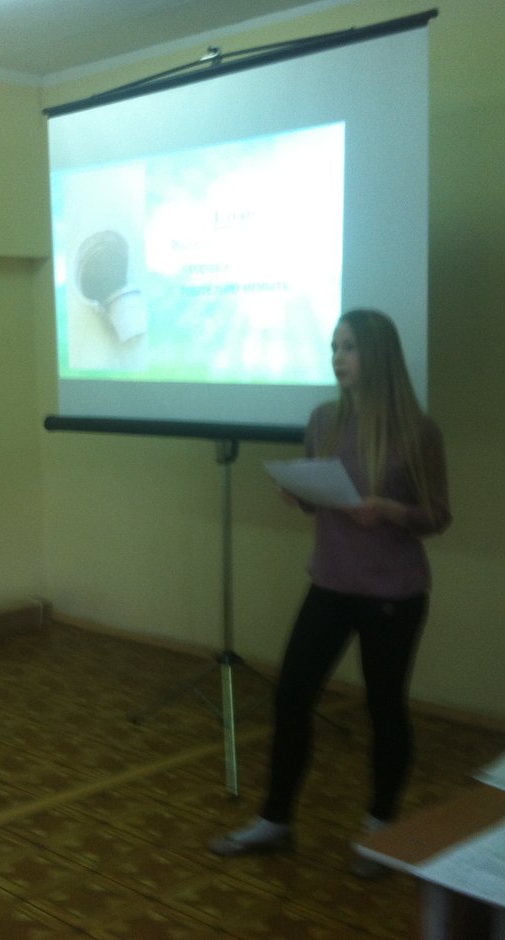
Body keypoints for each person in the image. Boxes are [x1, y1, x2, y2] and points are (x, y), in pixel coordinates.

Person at [208, 308, 450, 875]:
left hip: (393, 593)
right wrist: (301, 495)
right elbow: (324, 498)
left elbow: (437, 514)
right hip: (331, 582)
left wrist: (390, 511)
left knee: (384, 708)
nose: (338, 358)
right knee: (292, 696)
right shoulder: (323, 420)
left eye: (350, 347)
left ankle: (382, 828)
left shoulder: (418, 431)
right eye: (334, 347)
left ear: (378, 355)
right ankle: (275, 821)